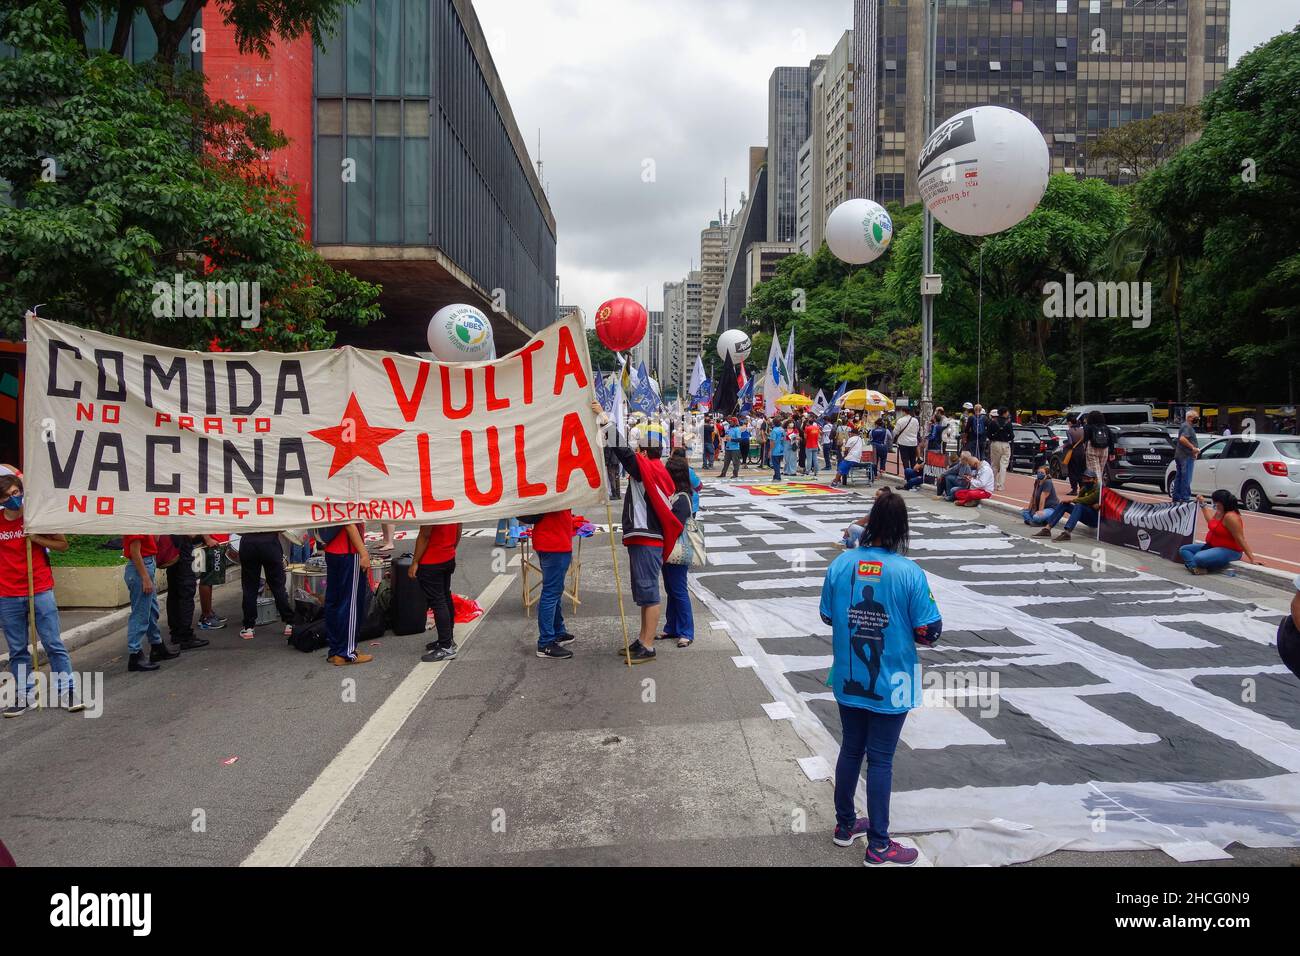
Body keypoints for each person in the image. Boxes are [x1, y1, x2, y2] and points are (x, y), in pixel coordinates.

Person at [820, 491, 940, 866]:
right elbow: (929, 631)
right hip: (894, 682)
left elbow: (826, 616)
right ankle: (879, 845)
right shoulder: (909, 572)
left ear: (870, 523)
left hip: (847, 676)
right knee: (882, 759)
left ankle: (844, 826)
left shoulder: (841, 564)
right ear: (902, 530)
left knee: (851, 748)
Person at [0, 475, 84, 715]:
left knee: (53, 643)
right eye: (7, 496)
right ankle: (24, 695)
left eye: (16, 493)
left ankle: (68, 690)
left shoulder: (36, 517)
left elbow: (62, 544)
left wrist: (36, 538)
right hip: (7, 594)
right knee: (17, 649)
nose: (13, 499)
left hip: (39, 589)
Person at [611, 415, 683, 664]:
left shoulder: (647, 469)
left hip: (647, 539)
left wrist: (603, 423)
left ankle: (648, 645)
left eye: (637, 448)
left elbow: (622, 453)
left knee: (649, 594)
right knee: (645, 593)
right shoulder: (657, 470)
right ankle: (643, 639)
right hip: (648, 538)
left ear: (642, 450)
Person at [123, 533, 180, 672]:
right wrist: (145, 578)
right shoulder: (136, 524)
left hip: (148, 563)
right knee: (141, 614)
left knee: (151, 611)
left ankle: (157, 645)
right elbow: (134, 552)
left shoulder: (145, 523)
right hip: (141, 567)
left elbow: (154, 540)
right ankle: (135, 654)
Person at [320, 522, 373, 665]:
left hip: (332, 550)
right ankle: (346, 653)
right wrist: (364, 553)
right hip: (348, 552)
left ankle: (336, 649)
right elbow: (349, 523)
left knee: (334, 602)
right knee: (350, 603)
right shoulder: (347, 501)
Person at [410, 520, 461, 661]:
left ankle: (446, 647)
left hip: (432, 559)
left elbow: (425, 534)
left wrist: (415, 562)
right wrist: (451, 548)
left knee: (438, 601)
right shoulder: (454, 500)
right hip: (447, 555)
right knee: (445, 596)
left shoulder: (432, 504)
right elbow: (459, 526)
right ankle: (448, 640)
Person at [1179, 491, 1260, 574]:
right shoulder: (1219, 512)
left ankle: (1197, 566)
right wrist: (1202, 504)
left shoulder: (1231, 517)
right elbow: (1210, 522)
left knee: (1199, 558)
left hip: (1230, 550)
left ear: (1221, 503)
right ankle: (1195, 568)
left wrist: (1252, 558)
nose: (1213, 503)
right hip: (1212, 546)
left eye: (1215, 502)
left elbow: (1240, 539)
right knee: (1184, 549)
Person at [662, 456, 697, 648]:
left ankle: (686, 631)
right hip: (670, 549)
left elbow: (675, 525)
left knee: (678, 590)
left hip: (677, 549)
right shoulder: (677, 494)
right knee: (671, 589)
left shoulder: (682, 498)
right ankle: (672, 627)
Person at [237, 531, 295, 641]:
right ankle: (289, 622)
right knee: (278, 586)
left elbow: (238, 530)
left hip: (248, 542)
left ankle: (249, 627)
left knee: (249, 587)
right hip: (270, 541)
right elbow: (282, 528)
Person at [164, 534, 209, 652]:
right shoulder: (182, 517)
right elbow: (191, 533)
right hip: (183, 551)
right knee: (186, 594)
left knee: (174, 594)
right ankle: (185, 636)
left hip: (173, 552)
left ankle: (176, 632)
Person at [1034, 469, 1101, 541]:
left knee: (1079, 505)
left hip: (1095, 519)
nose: (1086, 481)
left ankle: (1067, 532)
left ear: (1095, 480)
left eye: (1088, 479)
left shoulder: (1099, 488)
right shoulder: (1084, 488)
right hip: (1086, 515)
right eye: (1084, 479)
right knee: (1064, 504)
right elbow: (1081, 500)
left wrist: (1072, 500)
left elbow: (1089, 499)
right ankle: (1047, 529)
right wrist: (1090, 505)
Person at [197, 533, 229, 631]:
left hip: (217, 543)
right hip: (211, 545)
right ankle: (206, 617)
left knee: (210, 580)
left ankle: (208, 612)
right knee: (207, 580)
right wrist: (207, 538)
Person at [1172, 409, 1200, 503]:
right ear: (1190, 418)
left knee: (1179, 476)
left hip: (1181, 455)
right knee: (1186, 477)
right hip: (1186, 456)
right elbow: (1182, 439)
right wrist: (1193, 448)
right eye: (1196, 417)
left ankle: (1177, 496)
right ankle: (1185, 498)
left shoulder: (1184, 426)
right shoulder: (1187, 426)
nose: (1197, 419)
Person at [987, 408, 1015, 491]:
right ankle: (1000, 485)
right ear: (1005, 413)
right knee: (1003, 465)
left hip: (995, 444)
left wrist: (993, 438)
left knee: (994, 465)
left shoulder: (993, 422)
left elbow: (988, 434)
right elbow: (1012, 436)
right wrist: (1007, 438)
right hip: (1005, 444)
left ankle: (992, 484)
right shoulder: (1008, 423)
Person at [1084, 409, 1114, 481]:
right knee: (1100, 470)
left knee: (1094, 471)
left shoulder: (1089, 427)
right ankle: (1099, 487)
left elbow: (1085, 439)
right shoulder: (1106, 427)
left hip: (1092, 449)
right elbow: (1111, 439)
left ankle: (1097, 489)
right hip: (1104, 450)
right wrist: (1112, 452)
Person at [1062, 415, 1086, 495]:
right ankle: (1082, 488)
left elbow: (1070, 442)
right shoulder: (1082, 430)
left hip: (1073, 452)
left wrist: (1064, 445)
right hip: (1082, 451)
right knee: (1081, 470)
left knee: (1072, 471)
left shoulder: (1069, 431)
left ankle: (1074, 489)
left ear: (1069, 422)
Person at [893, 408, 919, 474]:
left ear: (904, 412)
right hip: (913, 443)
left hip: (903, 443)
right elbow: (917, 430)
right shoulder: (915, 420)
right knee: (913, 459)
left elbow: (895, 432)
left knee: (905, 460)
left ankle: (907, 475)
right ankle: (914, 474)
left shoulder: (900, 420)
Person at [868, 418, 890, 483]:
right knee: (883, 459)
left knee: (875, 461)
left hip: (874, 446)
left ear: (876, 424)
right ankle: (882, 471)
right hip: (883, 446)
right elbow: (890, 437)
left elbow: (870, 438)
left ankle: (874, 474)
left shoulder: (872, 431)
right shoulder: (886, 430)